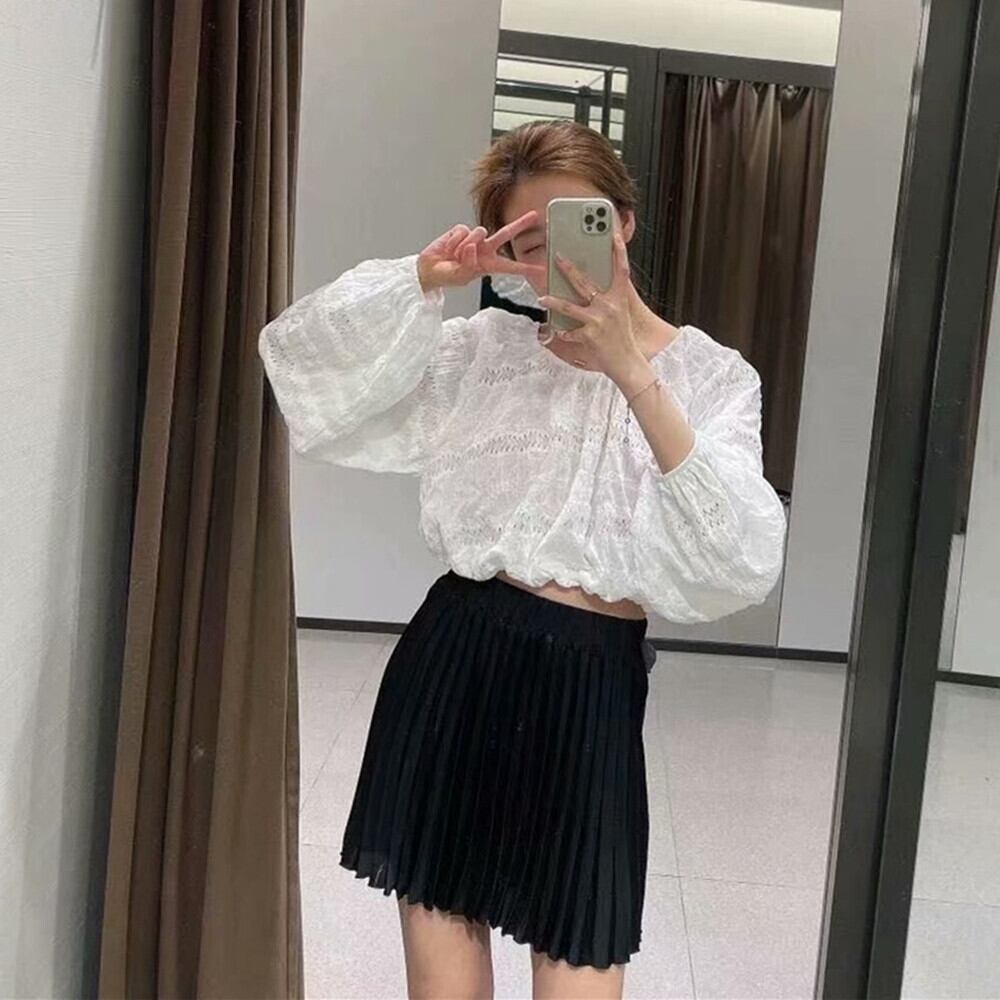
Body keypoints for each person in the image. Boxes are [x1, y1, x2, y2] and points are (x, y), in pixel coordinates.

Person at [258, 119, 786, 1000]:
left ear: (623, 223)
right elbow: (304, 368)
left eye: (579, 227)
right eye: (530, 244)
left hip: (591, 692)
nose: (558, 260)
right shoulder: (484, 353)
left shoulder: (713, 377)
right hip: (457, 662)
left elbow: (739, 556)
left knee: (580, 961)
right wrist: (425, 279)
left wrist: (630, 371)